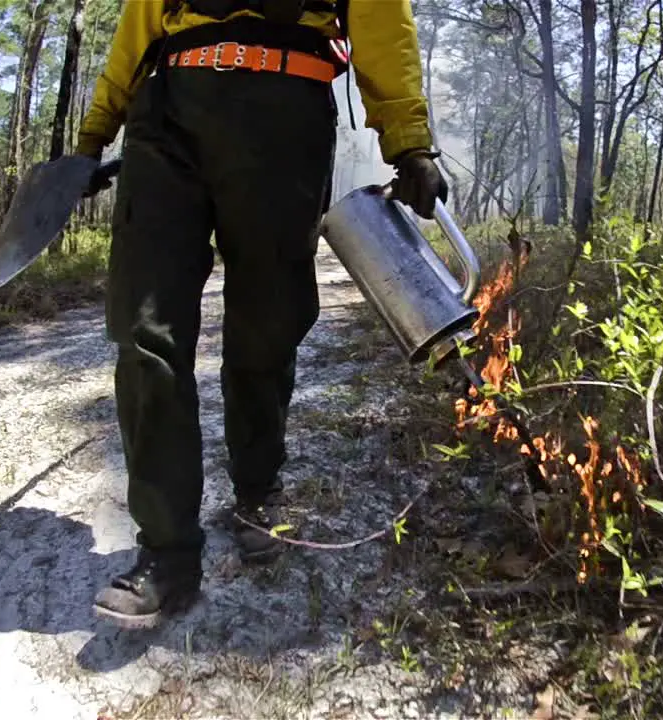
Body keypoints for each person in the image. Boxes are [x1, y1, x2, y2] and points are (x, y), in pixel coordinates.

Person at [71, 0, 448, 629]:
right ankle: (166, 551)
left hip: (286, 108)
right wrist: (92, 135)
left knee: (267, 322)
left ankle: (255, 495)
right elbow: (141, 19)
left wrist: (407, 140)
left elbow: (382, 21)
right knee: (145, 330)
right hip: (169, 111)